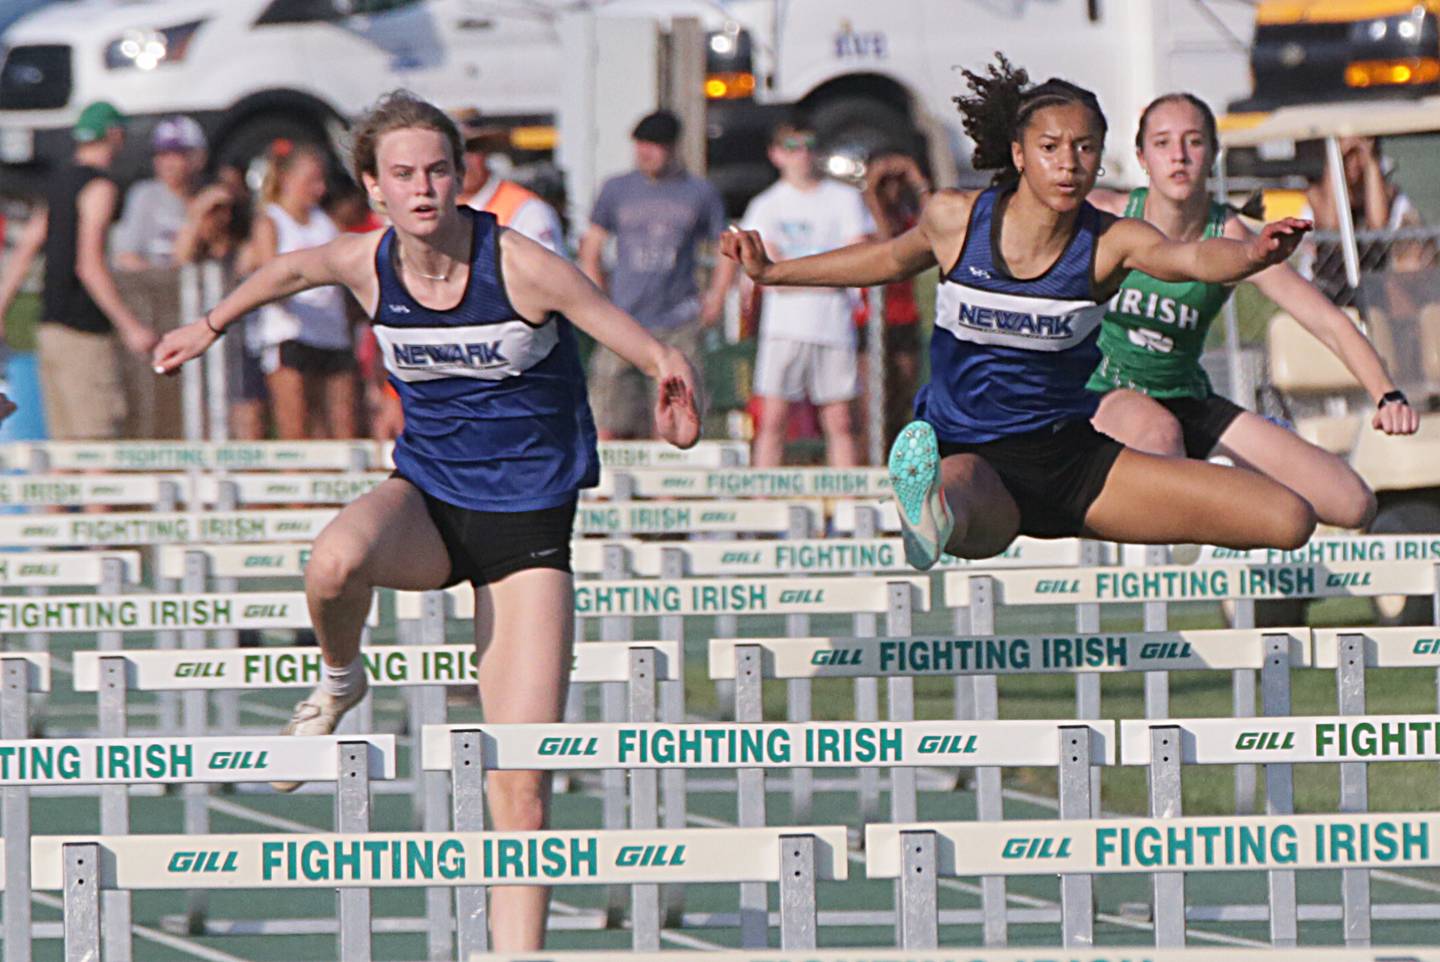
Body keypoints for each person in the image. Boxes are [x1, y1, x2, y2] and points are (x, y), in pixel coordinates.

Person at [151, 90, 700, 950]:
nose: (423, 188)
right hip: (428, 502)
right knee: (332, 562)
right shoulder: (367, 263)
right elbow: (290, 271)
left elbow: (638, 343)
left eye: (438, 169)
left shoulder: (520, 263)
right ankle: (339, 680)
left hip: (527, 531)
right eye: (402, 174)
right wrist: (211, 323)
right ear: (373, 189)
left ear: (461, 175)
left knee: (519, 782)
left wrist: (673, 390)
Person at [722, 55, 1317, 570]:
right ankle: (924, 507)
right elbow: (882, 259)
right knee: (950, 504)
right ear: (1019, 154)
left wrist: (1251, 253)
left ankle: (1171, 501)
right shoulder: (958, 219)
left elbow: (1189, 257)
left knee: (1290, 519)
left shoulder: (1113, 241)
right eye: (1050, 148)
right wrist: (774, 273)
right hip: (975, 460)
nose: (1068, 164)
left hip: (1072, 461)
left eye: (1084, 149)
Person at [1085, 93, 1419, 530]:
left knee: (1352, 503)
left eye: (1193, 142)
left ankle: (1215, 484)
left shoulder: (1234, 236)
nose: (1179, 156)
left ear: (1214, 155)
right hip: (1106, 392)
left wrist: (1386, 393)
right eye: (1163, 143)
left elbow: (1327, 320)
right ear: (1142, 157)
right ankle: (1194, 497)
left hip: (1185, 395)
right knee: (1160, 436)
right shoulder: (1107, 214)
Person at [0, 101, 157, 440]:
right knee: (97, 448)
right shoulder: (100, 187)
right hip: (84, 331)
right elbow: (89, 264)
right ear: (114, 135)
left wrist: (1, 308)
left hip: (49, 329)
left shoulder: (57, 184)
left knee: (65, 454)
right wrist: (130, 326)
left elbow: (27, 246)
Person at [579, 109, 733, 439]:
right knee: (608, 414)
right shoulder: (616, 189)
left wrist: (717, 296)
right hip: (623, 321)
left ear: (673, 147)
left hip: (678, 321)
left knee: (674, 416)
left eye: (654, 146)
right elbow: (591, 247)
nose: (645, 153)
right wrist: (597, 300)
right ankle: (607, 489)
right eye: (640, 145)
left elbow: (726, 248)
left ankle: (667, 492)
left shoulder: (699, 192)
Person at [739, 120, 870, 466]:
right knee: (772, 419)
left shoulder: (844, 199)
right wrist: (829, 274)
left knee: (840, 420)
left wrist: (796, 273)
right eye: (792, 146)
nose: (803, 154)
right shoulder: (765, 206)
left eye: (809, 144)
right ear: (776, 154)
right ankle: (762, 502)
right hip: (783, 329)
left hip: (832, 326)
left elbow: (857, 260)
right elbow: (768, 273)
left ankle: (846, 507)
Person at [245, 141, 358, 439]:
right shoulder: (271, 221)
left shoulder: (326, 224)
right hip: (290, 332)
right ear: (287, 178)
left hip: (331, 333)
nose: (319, 189)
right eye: (311, 181)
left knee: (342, 426)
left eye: (321, 180)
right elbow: (269, 278)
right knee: (295, 427)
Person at [1301, 135, 1428, 306]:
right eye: (1347, 157)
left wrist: (1370, 160)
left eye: (1357, 155)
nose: (1353, 164)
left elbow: (1378, 225)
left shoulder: (1389, 195)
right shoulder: (1317, 195)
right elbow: (1332, 228)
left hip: (1375, 282)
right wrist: (1336, 157)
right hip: (1328, 284)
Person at [862, 150, 932, 448]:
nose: (891, 189)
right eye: (884, 183)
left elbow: (935, 225)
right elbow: (885, 235)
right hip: (869, 320)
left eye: (895, 182)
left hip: (904, 315)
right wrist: (871, 186)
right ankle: (873, 454)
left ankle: (896, 453)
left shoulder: (909, 218)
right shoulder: (862, 215)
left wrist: (918, 179)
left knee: (904, 393)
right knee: (874, 399)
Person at [453, 107, 565, 253]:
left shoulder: (527, 210)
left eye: (472, 148)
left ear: (487, 150)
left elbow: (549, 273)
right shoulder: (436, 209)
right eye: (454, 151)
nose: (464, 160)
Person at [112, 115, 208, 270]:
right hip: (152, 287)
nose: (167, 164)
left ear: (198, 158)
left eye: (177, 154)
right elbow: (125, 256)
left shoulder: (209, 198)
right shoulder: (144, 195)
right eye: (162, 155)